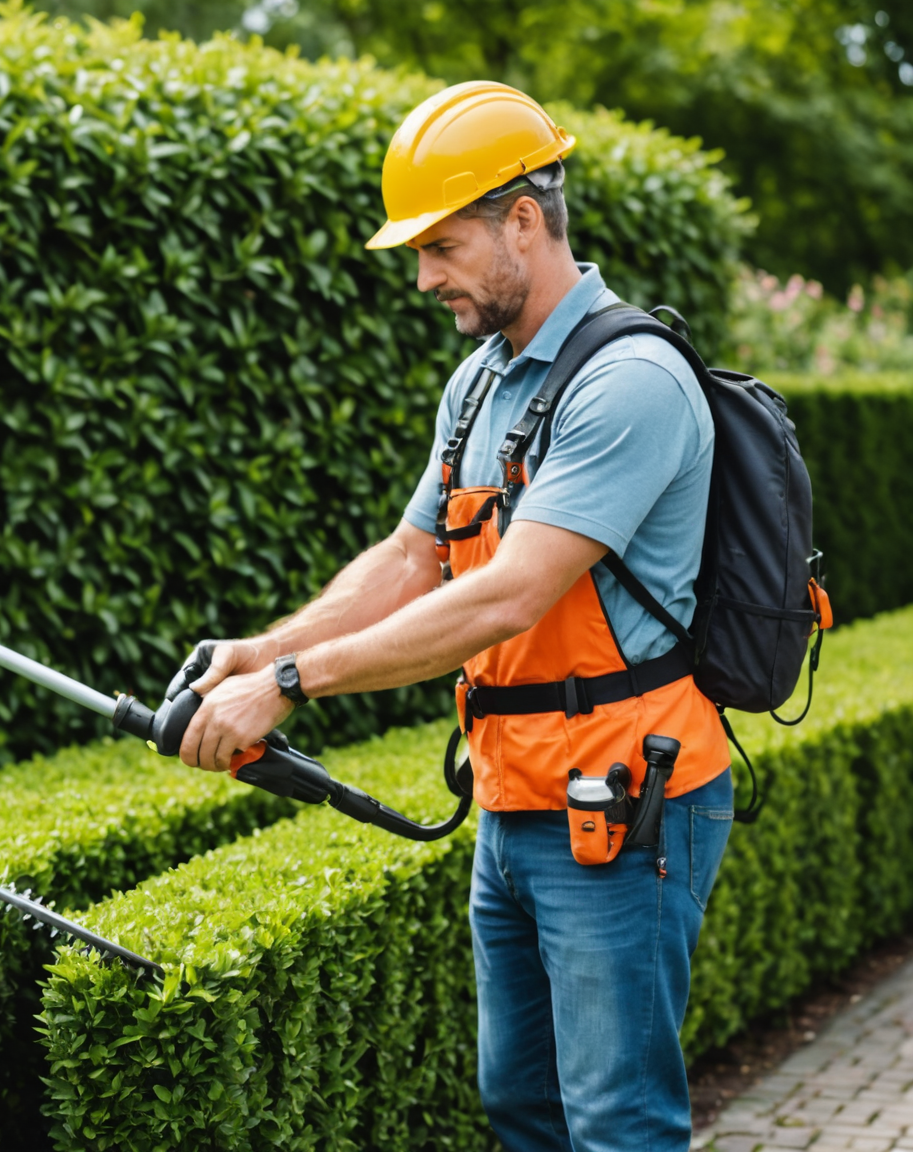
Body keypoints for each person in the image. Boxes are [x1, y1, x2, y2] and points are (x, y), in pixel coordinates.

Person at [180, 81, 734, 1151]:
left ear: (523, 218)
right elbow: (413, 557)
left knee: (619, 1124)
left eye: (441, 245)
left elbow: (511, 589)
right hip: (514, 791)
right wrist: (265, 647)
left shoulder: (630, 380)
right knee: (519, 1106)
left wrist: (292, 687)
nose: (425, 276)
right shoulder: (480, 385)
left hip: (625, 801)